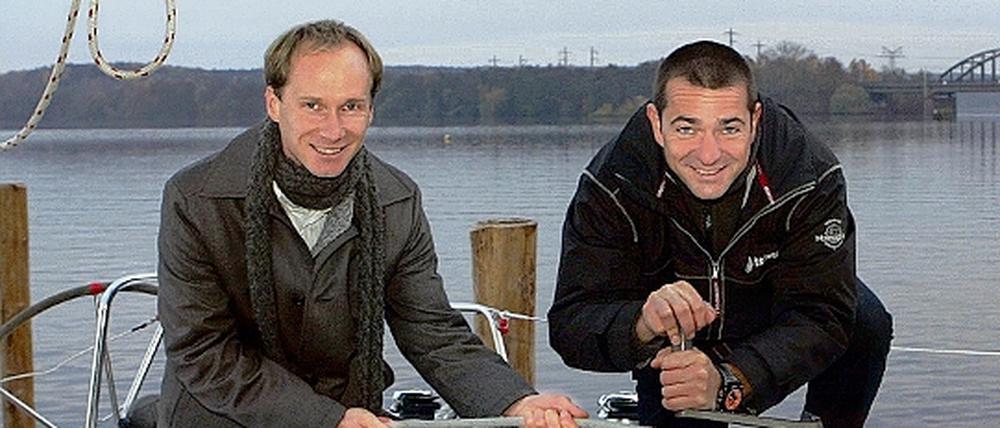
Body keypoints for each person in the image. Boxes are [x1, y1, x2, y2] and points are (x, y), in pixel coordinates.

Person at [156, 19, 586, 428]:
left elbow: (431, 330)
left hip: (352, 416)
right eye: (312, 106)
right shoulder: (196, 199)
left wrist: (515, 401)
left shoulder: (395, 200)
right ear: (274, 103)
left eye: (351, 107)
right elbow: (203, 352)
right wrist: (325, 419)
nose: (334, 129)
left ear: (371, 110)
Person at [547, 40, 892, 428]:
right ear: (656, 124)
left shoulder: (808, 174)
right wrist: (640, 325)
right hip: (675, 343)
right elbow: (571, 323)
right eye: (686, 128)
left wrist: (732, 381)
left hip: (768, 311)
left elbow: (825, 312)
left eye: (729, 128)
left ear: (755, 120)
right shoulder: (613, 184)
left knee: (865, 318)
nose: (708, 154)